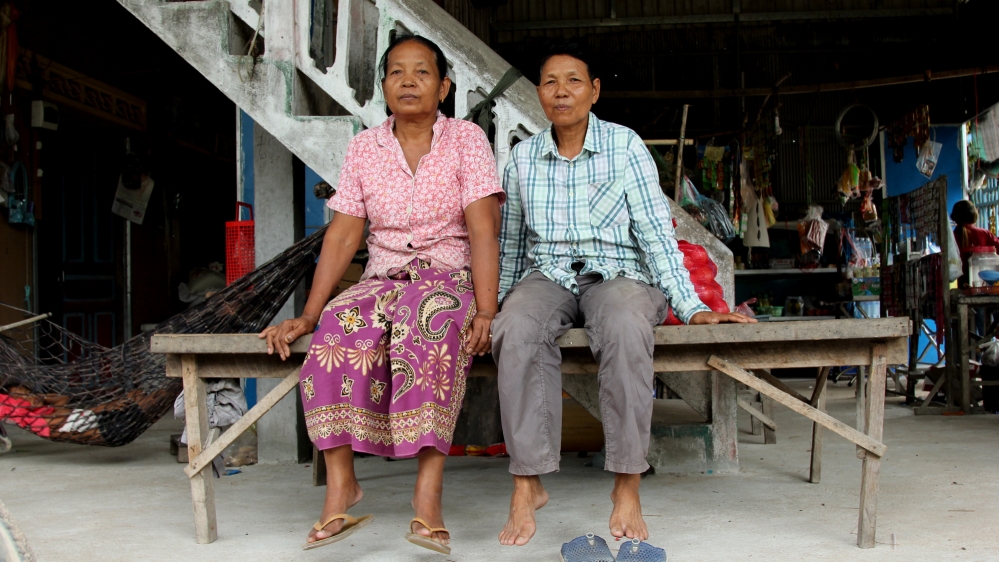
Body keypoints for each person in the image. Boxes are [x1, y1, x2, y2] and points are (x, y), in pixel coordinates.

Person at [492, 41, 754, 547]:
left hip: (621, 274)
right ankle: (527, 483)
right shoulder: (523, 159)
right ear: (540, 95)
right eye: (549, 82)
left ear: (593, 91)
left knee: (623, 324)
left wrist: (692, 307)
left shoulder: (625, 146)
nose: (561, 90)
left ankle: (628, 483)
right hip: (548, 275)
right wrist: (496, 306)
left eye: (573, 81)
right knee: (516, 326)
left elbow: (657, 233)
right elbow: (510, 246)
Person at [259, 34, 503, 554]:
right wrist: (308, 314)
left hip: (447, 278)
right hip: (382, 279)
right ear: (384, 85)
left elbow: (483, 229)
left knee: (424, 330)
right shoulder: (364, 147)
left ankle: (428, 497)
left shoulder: (466, 140)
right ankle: (341, 485)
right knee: (334, 336)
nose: (408, 81)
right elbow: (345, 235)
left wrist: (486, 309)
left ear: (444, 86)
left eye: (421, 72)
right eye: (396, 72)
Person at [951, 199, 999, 284]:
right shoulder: (984, 234)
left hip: (963, 284)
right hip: (985, 282)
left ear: (954, 217)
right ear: (974, 214)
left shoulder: (952, 237)